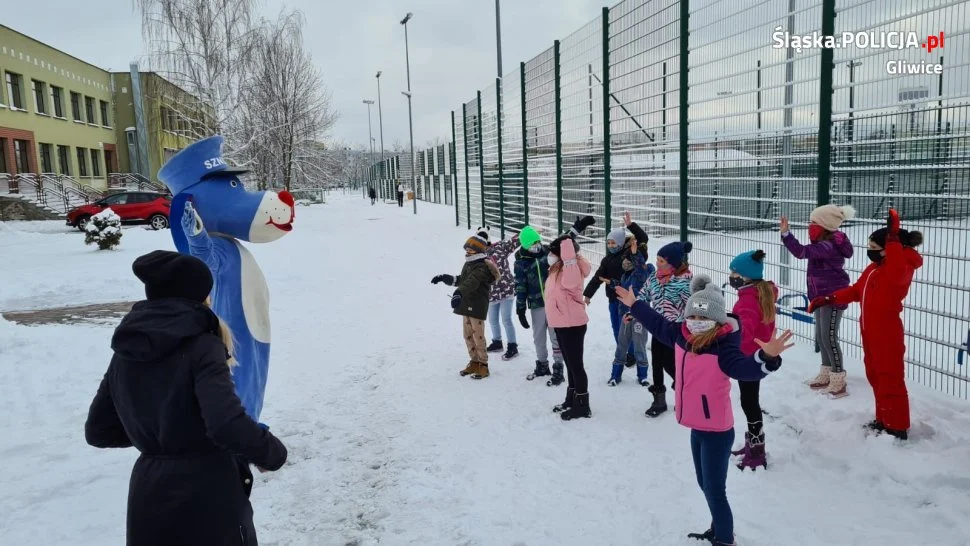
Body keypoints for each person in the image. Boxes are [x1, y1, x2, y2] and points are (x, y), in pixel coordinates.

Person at [84, 250, 288, 546]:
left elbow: (100, 430)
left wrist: (161, 436)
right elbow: (225, 423)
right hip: (207, 493)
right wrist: (272, 453)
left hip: (149, 493)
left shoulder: (128, 348)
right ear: (201, 296)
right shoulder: (204, 345)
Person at [617, 275, 793, 546]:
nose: (696, 324)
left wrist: (767, 358)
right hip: (696, 426)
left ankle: (724, 538)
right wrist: (634, 304)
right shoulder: (681, 335)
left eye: (704, 320)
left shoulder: (724, 349)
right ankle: (718, 527)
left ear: (718, 321)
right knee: (704, 484)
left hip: (717, 431)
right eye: (692, 318)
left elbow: (746, 369)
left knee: (715, 489)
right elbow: (656, 323)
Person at [809, 209, 923, 440]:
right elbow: (856, 290)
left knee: (890, 378)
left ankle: (897, 426)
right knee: (875, 375)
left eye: (874, 248)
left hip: (887, 332)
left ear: (891, 248)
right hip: (869, 331)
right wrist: (830, 298)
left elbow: (897, 270)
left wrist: (892, 240)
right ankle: (884, 418)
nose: (869, 252)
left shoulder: (898, 269)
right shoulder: (875, 269)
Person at [780, 204, 855, 398]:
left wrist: (787, 235)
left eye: (814, 223)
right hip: (820, 296)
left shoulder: (828, 246)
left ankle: (838, 378)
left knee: (829, 337)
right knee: (822, 337)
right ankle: (826, 373)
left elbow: (801, 252)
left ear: (824, 225)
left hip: (833, 297)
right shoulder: (824, 243)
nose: (810, 226)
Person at [515, 217, 595, 385]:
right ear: (524, 246)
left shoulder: (548, 253)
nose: (536, 245)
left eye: (537, 241)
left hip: (555, 304)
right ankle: (542, 364)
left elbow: (564, 240)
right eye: (532, 244)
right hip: (536, 304)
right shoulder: (521, 263)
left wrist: (577, 227)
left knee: (555, 336)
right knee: (538, 336)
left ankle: (558, 366)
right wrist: (520, 308)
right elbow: (520, 286)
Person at [727, 250, 777, 470]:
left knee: (749, 402)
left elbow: (744, 331)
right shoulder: (761, 292)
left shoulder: (747, 301)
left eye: (735, 272)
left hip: (748, 358)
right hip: (757, 355)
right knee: (750, 401)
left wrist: (727, 335)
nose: (732, 275)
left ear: (746, 276)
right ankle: (753, 443)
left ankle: (757, 450)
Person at [432, 231, 501, 379]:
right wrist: (445, 278)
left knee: (478, 335)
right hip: (466, 304)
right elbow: (462, 280)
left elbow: (471, 283)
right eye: (467, 248)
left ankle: (483, 365)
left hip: (477, 305)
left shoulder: (482, 266)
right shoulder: (469, 263)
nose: (468, 251)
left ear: (479, 250)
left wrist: (459, 293)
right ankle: (474, 361)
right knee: (467, 335)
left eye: (472, 249)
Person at [584, 212, 649, 367]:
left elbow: (643, 239)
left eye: (614, 243)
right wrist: (587, 294)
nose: (611, 246)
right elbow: (597, 278)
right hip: (613, 299)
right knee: (617, 327)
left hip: (628, 299)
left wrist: (631, 225)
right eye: (608, 243)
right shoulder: (607, 260)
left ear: (620, 242)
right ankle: (624, 352)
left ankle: (632, 354)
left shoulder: (629, 254)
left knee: (630, 327)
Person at [638, 241, 694, 417]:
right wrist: (634, 310)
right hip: (657, 326)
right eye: (657, 259)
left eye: (661, 260)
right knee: (656, 362)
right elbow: (643, 294)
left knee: (672, 363)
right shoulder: (654, 277)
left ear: (673, 264)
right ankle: (659, 400)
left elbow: (692, 307)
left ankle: (683, 393)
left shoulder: (685, 282)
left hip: (676, 330)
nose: (657, 263)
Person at [545, 233, 594, 420]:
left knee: (576, 366)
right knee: (570, 365)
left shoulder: (570, 268)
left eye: (552, 252)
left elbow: (571, 283)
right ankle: (571, 399)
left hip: (572, 324)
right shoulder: (558, 267)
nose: (549, 255)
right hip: (561, 322)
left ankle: (582, 405)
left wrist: (567, 251)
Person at [608, 234, 655, 386]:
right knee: (622, 345)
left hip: (640, 316)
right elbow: (622, 290)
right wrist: (613, 283)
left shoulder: (642, 273)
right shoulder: (626, 275)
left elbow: (640, 267)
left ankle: (643, 376)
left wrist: (635, 254)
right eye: (625, 259)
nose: (625, 262)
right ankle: (616, 375)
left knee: (640, 346)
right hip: (625, 315)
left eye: (628, 259)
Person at [480, 227, 521, 361]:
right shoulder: (478, 256)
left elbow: (515, 242)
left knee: (506, 319)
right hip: (491, 293)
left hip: (506, 289)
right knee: (492, 320)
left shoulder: (500, 247)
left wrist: (525, 232)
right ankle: (497, 342)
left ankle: (512, 346)